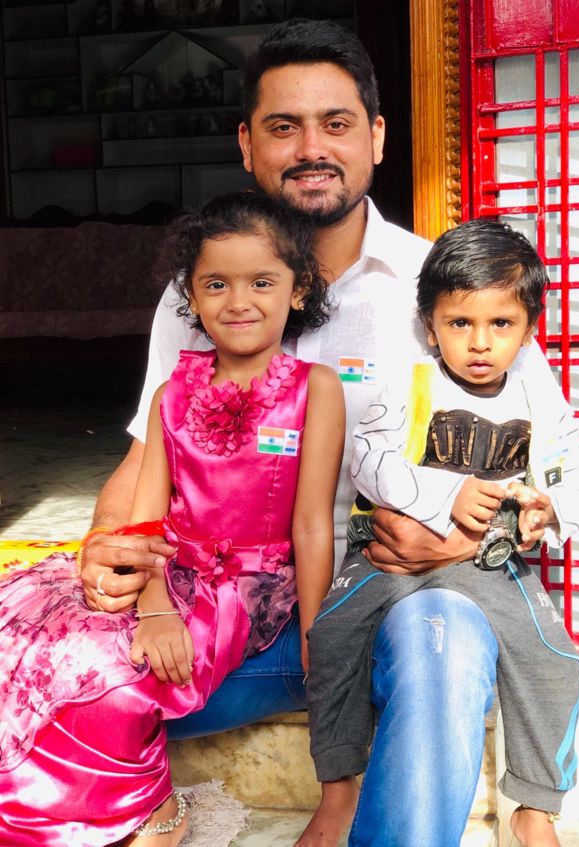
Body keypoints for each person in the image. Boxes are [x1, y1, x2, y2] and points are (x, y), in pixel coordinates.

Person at [78, 19, 568, 846]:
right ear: (247, 144)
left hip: (387, 595)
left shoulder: (444, 288)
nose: (311, 148)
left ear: (376, 136)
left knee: (442, 639)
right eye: (283, 126)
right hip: (232, 612)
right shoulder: (202, 289)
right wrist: (105, 544)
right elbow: (143, 457)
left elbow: (541, 459)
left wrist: (458, 540)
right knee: (63, 668)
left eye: (335, 123)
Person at [0, 191, 345, 846]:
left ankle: (151, 815)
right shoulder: (171, 392)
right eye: (216, 284)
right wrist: (155, 607)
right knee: (24, 634)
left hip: (245, 589)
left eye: (261, 282)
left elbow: (310, 526)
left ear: (298, 288)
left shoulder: (316, 389)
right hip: (167, 571)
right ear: (192, 295)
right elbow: (145, 520)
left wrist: (316, 634)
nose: (238, 301)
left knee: (112, 675)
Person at [304, 218, 579, 847]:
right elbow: (369, 460)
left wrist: (548, 509)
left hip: (489, 560)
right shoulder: (411, 381)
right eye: (460, 323)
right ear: (430, 324)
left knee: (554, 662)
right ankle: (338, 788)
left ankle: (535, 807)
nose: (480, 343)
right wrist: (448, 495)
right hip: (387, 557)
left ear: (530, 327)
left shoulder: (537, 396)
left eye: (501, 324)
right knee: (331, 638)